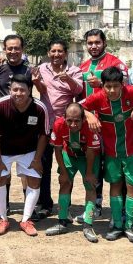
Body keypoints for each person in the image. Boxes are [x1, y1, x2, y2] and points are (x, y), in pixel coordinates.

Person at [83, 66, 133, 243]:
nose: (112, 90)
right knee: (115, 185)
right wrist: (89, 115)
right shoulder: (97, 97)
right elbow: (78, 107)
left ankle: (129, 226)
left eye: (116, 86)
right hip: (111, 152)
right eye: (108, 86)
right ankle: (117, 225)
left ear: (122, 85)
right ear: (102, 85)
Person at [0, 74, 50, 236]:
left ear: (29, 90)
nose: (18, 93)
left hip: (28, 150)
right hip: (4, 151)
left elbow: (44, 135)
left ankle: (26, 219)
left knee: (35, 179)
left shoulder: (39, 108)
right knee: (0, 178)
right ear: (10, 90)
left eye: (22, 90)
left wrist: (37, 159)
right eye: (15, 89)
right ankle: (3, 218)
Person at [78, 28, 128, 221]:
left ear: (104, 43)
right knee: (94, 165)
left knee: (118, 167)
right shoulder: (83, 66)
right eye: (90, 43)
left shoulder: (116, 63)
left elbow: (126, 86)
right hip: (91, 124)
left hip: (114, 125)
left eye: (97, 42)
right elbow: (79, 97)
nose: (93, 46)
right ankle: (96, 205)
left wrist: (101, 83)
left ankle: (121, 209)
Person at [34, 38, 84, 220]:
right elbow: (41, 89)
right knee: (44, 165)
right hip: (46, 125)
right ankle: (45, 204)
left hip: (67, 127)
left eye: (60, 51)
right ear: (48, 53)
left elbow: (78, 90)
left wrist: (68, 79)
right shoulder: (42, 69)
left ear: (65, 53)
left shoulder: (74, 71)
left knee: (67, 167)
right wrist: (36, 82)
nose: (56, 54)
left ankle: (66, 206)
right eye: (53, 51)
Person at [45, 103, 101, 242]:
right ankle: (62, 221)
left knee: (90, 186)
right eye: (69, 120)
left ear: (83, 119)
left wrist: (89, 173)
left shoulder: (90, 127)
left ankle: (88, 225)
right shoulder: (58, 124)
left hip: (88, 157)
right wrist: (63, 172)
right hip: (69, 155)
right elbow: (57, 150)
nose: (73, 124)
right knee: (64, 183)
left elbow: (91, 152)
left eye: (77, 121)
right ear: (64, 117)